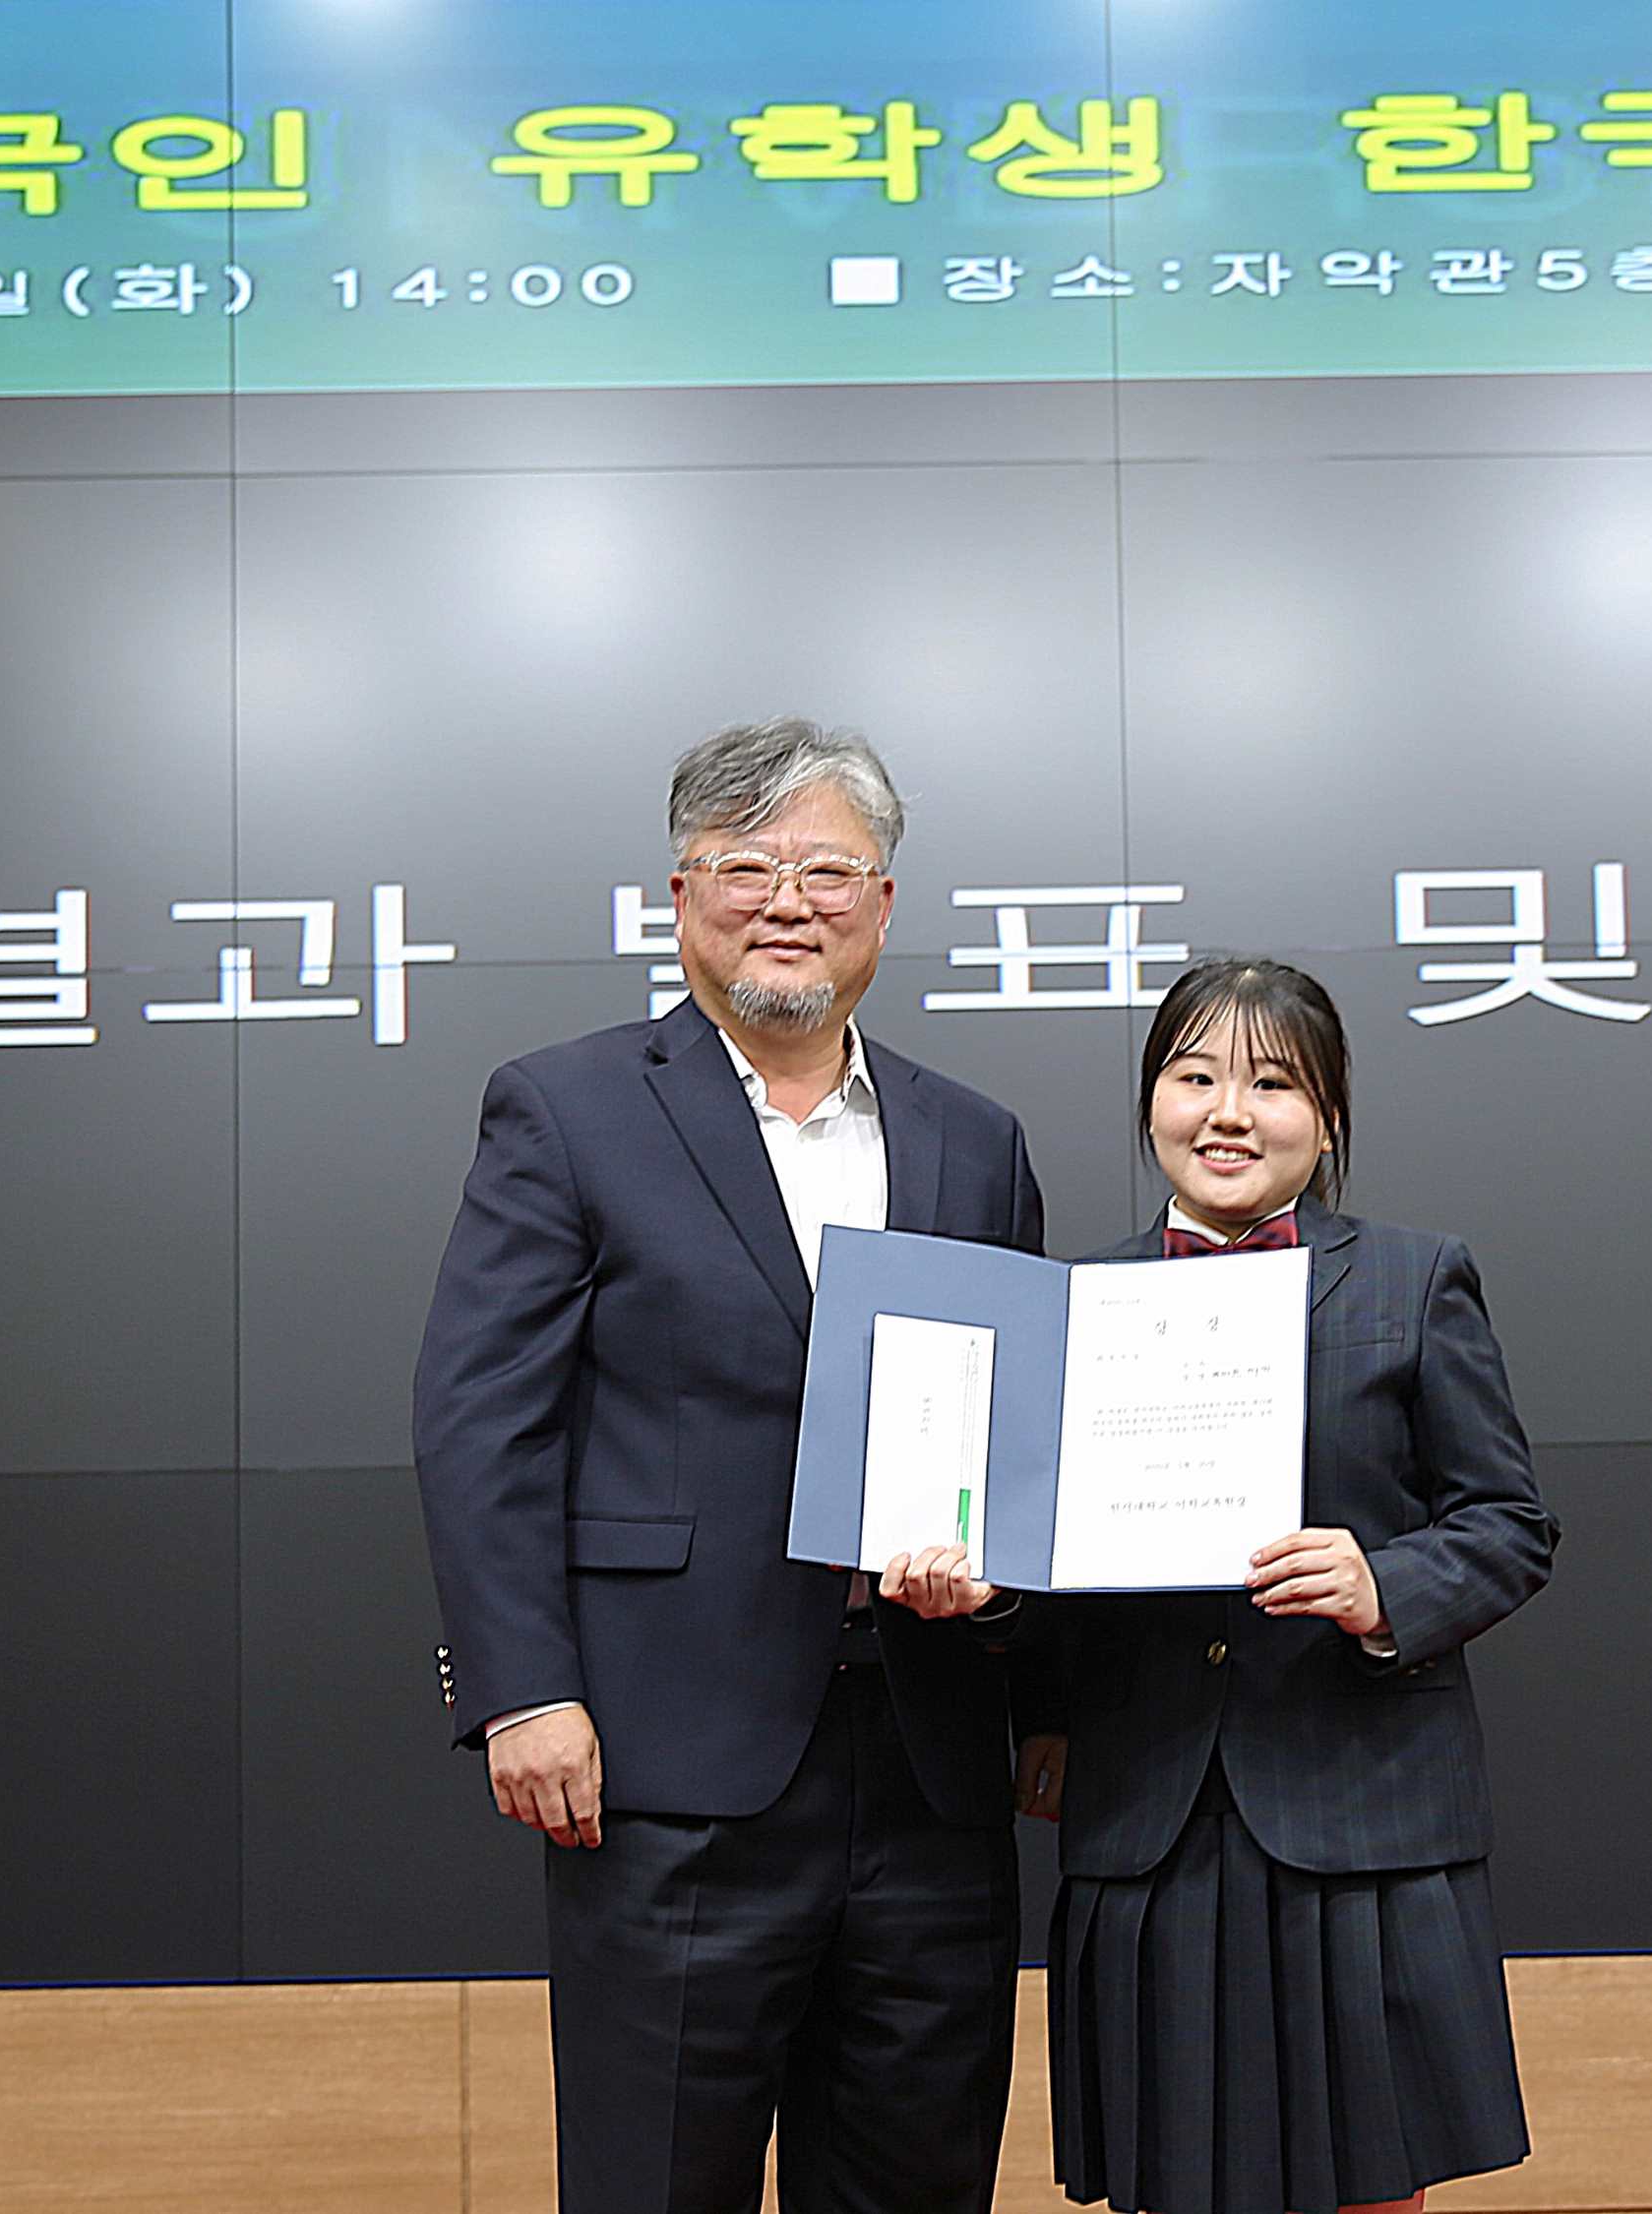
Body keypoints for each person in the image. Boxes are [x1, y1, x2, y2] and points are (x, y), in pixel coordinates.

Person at [412, 717, 1048, 2214]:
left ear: (883, 902)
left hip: (929, 1772)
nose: (788, 900)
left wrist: (1032, 1658)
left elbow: (1023, 1434)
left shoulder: (975, 1137)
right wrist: (524, 1685)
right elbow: (479, 1411)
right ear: (681, 895)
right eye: (745, 865)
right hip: (667, 1764)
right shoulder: (567, 1108)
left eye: (828, 868)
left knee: (916, 2184)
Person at [1039, 955, 1560, 2214]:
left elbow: (1509, 1524)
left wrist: (1384, 1581)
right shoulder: (1073, 1307)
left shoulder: (1414, 1279)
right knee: (1177, 2184)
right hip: (1154, 1820)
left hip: (1359, 1814)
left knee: (1373, 2185)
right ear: (1151, 1101)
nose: (1229, 1110)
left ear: (1327, 1119)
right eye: (1194, 1075)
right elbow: (1041, 1561)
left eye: (1273, 1083)